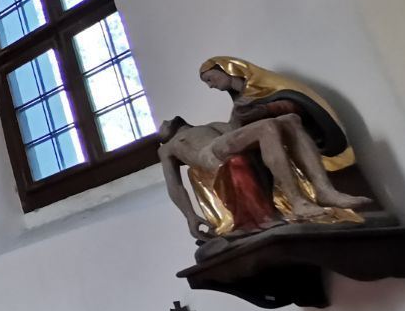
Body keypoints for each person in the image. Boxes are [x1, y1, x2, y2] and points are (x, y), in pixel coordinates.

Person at [159, 56, 372, 241]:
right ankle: (297, 201)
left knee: (290, 119)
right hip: (211, 154)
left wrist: (239, 112)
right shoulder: (168, 147)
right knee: (268, 126)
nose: (164, 123)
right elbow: (175, 187)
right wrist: (190, 217)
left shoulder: (208, 126)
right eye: (161, 128)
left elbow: (234, 130)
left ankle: (325, 191)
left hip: (225, 144)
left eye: (210, 79)